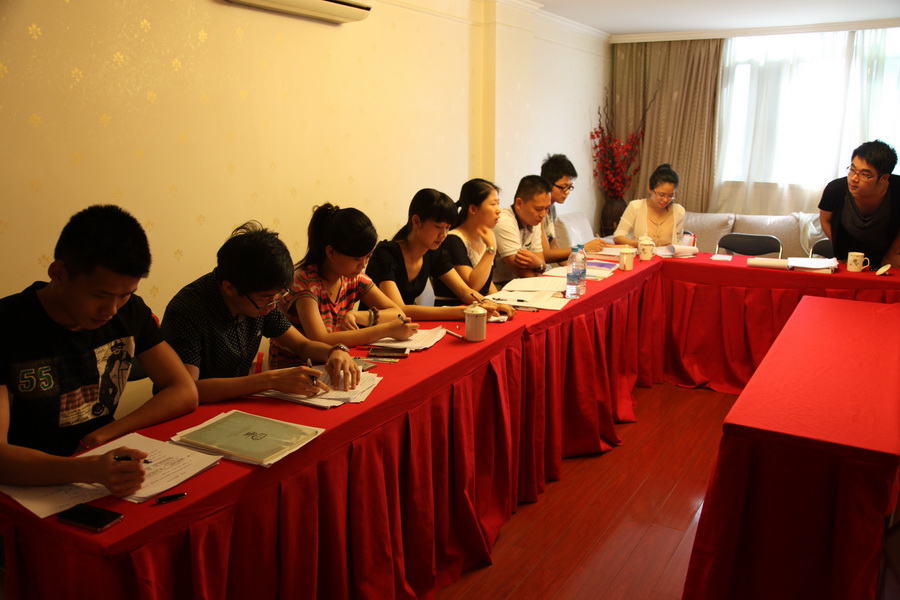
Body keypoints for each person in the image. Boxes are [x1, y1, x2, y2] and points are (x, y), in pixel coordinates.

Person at [0, 205, 197, 497]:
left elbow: (183, 391)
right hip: (26, 485)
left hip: (99, 464)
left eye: (125, 294)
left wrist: (101, 436)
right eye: (100, 295)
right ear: (58, 273)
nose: (112, 310)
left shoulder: (130, 312)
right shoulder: (8, 326)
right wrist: (87, 469)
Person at [161, 221, 360, 404]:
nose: (273, 306)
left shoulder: (262, 299)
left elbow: (302, 345)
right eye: (266, 298)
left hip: (238, 402)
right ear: (230, 288)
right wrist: (269, 380)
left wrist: (335, 351)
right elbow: (188, 390)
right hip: (194, 412)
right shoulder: (188, 311)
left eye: (278, 295)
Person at [268, 204, 418, 368]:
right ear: (331, 252)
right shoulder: (305, 283)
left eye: (368, 256)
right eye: (357, 258)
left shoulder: (353, 278)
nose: (363, 264)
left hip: (334, 364)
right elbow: (321, 340)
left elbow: (397, 312)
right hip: (297, 371)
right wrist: (387, 330)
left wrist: (357, 316)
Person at [366, 188, 514, 320]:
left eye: (447, 228)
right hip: (376, 329)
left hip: (404, 328)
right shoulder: (386, 253)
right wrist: (460, 311)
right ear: (416, 221)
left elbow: (464, 291)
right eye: (438, 227)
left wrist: (490, 304)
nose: (443, 235)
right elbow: (399, 310)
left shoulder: (433, 251)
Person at [819, 140, 900, 268]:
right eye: (852, 170)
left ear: (884, 178)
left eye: (864, 174)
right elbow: (825, 220)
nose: (854, 178)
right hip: (848, 255)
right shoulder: (835, 189)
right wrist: (840, 248)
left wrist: (893, 253)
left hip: (887, 253)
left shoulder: (897, 189)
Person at [433, 178, 506, 306]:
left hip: (481, 307)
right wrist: (491, 249)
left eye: (498, 204)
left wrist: (500, 302)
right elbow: (473, 287)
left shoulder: (485, 238)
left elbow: (486, 283)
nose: (498, 210)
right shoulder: (452, 239)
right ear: (473, 209)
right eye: (493, 204)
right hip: (455, 310)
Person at [492, 175, 553, 288]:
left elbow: (541, 264)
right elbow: (523, 273)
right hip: (498, 285)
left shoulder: (533, 221)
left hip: (518, 282)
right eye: (539, 209)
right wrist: (539, 265)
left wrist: (539, 263)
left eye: (547, 208)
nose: (543, 214)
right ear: (519, 203)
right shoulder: (504, 221)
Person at [613, 164, 685, 248]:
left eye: (670, 195)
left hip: (668, 256)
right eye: (661, 195)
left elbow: (679, 240)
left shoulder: (678, 211)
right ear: (650, 189)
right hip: (642, 255)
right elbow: (618, 237)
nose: (665, 200)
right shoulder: (636, 207)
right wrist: (640, 244)